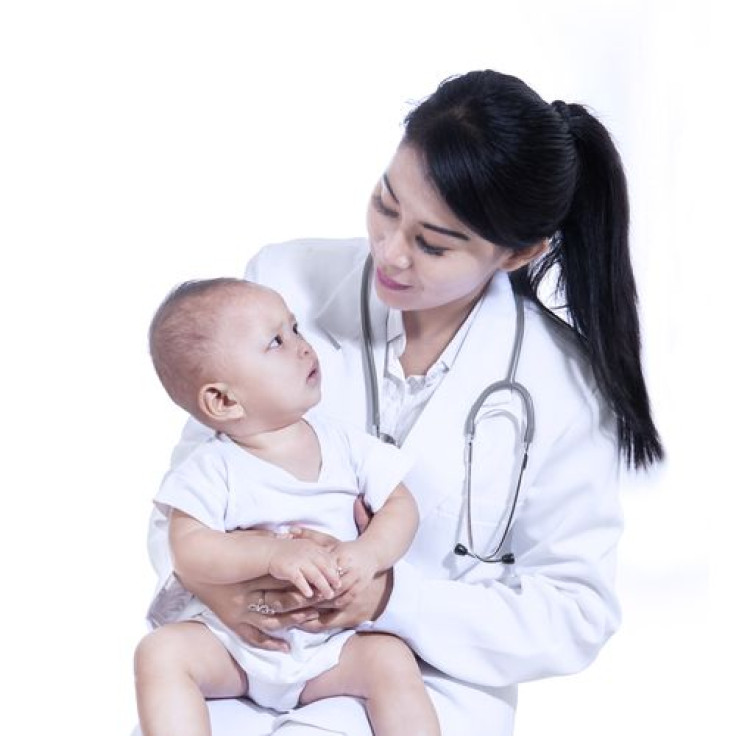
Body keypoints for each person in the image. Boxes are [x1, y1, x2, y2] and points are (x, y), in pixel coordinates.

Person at [143, 69, 664, 736]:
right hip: (241, 663)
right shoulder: (278, 291)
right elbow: (182, 507)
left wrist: (390, 598)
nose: (389, 253)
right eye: (386, 206)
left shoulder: (561, 382)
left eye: (433, 243)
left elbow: (575, 611)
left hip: (425, 688)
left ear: (519, 253)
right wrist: (238, 587)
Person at [135, 278, 440, 736]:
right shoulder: (214, 467)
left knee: (390, 660)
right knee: (159, 653)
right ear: (222, 400)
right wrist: (270, 554)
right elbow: (188, 549)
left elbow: (401, 503)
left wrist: (370, 554)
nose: (303, 347)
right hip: (236, 644)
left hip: (331, 644)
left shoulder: (342, 443)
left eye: (295, 329)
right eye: (277, 341)